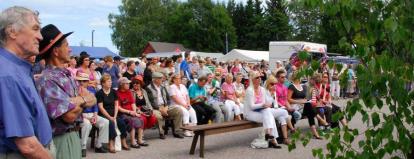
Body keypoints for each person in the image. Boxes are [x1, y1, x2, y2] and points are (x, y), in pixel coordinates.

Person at [0, 6, 54, 158]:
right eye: (35, 29)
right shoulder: (8, 75)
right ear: (12, 32)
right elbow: (28, 146)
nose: (40, 37)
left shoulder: (16, 68)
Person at [36, 24, 97, 159]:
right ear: (56, 51)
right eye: (66, 45)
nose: (70, 49)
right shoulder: (47, 80)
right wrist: (84, 99)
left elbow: (94, 98)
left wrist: (77, 101)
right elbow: (69, 116)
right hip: (61, 140)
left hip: (73, 136)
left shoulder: (66, 75)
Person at [244, 71, 282, 149]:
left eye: (260, 77)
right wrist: (263, 105)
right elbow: (252, 106)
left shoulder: (262, 89)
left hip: (260, 110)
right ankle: (273, 140)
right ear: (252, 79)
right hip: (250, 113)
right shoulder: (249, 90)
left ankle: (269, 134)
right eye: (257, 77)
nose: (259, 79)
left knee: (268, 112)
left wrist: (271, 95)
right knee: (269, 116)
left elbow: (265, 102)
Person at [76, 73, 109, 157]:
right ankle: (83, 147)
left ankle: (99, 145)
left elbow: (95, 105)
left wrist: (95, 115)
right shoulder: (75, 91)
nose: (81, 83)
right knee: (87, 124)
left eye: (83, 81)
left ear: (87, 82)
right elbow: (76, 108)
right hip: (80, 115)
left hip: (92, 114)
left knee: (105, 122)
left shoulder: (92, 90)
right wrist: (86, 117)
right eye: (79, 81)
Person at [146, 72, 184, 139]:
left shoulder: (162, 87)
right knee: (158, 116)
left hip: (165, 106)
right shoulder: (149, 88)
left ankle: (177, 131)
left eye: (162, 78)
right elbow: (151, 102)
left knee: (178, 110)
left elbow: (168, 99)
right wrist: (160, 109)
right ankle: (162, 132)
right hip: (155, 108)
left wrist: (166, 107)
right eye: (160, 78)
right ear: (155, 79)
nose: (162, 80)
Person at [96, 74, 129, 153]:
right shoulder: (99, 93)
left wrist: (114, 115)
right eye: (108, 81)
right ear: (103, 83)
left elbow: (116, 105)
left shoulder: (114, 91)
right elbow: (101, 107)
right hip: (104, 114)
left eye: (111, 81)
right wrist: (109, 117)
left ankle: (123, 142)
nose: (110, 83)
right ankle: (111, 144)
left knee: (122, 123)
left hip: (114, 114)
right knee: (110, 123)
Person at [264, 76, 294, 144]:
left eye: (275, 84)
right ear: (268, 84)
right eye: (272, 84)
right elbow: (266, 104)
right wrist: (272, 94)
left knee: (283, 118)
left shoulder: (273, 91)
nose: (274, 86)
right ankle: (292, 129)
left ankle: (285, 139)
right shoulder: (265, 91)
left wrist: (278, 107)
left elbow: (275, 104)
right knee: (285, 112)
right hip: (267, 111)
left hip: (273, 110)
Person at [117, 77, 145, 148]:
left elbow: (133, 103)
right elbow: (118, 108)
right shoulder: (117, 93)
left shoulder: (129, 91)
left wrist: (135, 112)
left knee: (140, 118)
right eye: (127, 83)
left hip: (131, 112)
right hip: (122, 114)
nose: (129, 85)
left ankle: (140, 140)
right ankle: (133, 141)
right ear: (121, 85)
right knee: (132, 120)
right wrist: (129, 112)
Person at [131, 77, 156, 146]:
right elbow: (132, 104)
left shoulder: (144, 91)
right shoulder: (131, 92)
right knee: (143, 119)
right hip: (136, 109)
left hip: (145, 108)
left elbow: (148, 102)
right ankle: (139, 135)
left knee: (153, 118)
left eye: (137, 83)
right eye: (134, 83)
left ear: (141, 84)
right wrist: (138, 110)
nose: (135, 84)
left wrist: (151, 109)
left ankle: (140, 132)